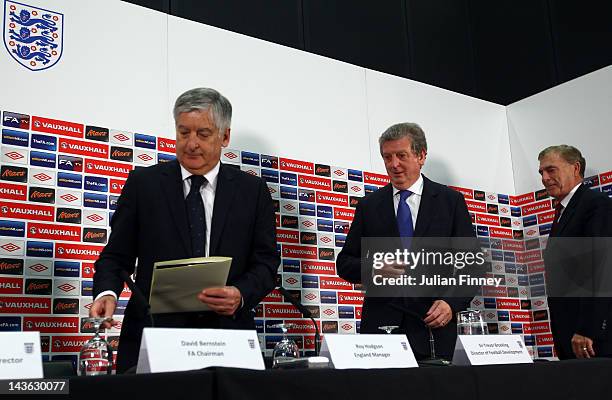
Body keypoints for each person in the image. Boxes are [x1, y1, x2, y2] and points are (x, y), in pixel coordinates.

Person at [91, 88, 279, 372]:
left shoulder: (252, 192)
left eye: (203, 134)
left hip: (227, 338)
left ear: (224, 136)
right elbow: (116, 256)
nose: (191, 144)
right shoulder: (144, 184)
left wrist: (240, 294)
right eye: (183, 133)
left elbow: (265, 263)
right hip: (153, 336)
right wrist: (106, 292)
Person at [336, 122, 475, 360]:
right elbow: (345, 263)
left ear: (421, 155)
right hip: (381, 329)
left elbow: (470, 264)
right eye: (387, 157)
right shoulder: (369, 206)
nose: (393, 165)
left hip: (433, 326)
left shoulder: (450, 202)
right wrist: (381, 268)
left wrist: (451, 304)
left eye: (401, 155)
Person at [539, 145, 612, 359]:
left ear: (575, 168)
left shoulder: (595, 205)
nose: (544, 178)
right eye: (541, 172)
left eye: (551, 170)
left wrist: (588, 329)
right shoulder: (562, 211)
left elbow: (604, 269)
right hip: (569, 334)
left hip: (591, 338)